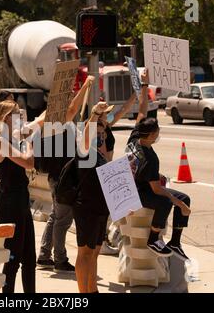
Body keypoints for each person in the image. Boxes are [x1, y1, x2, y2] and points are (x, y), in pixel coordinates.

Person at [127, 70, 192, 260]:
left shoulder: (134, 138)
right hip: (138, 193)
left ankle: (175, 242)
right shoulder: (149, 158)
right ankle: (153, 238)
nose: (158, 134)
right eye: (157, 132)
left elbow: (142, 110)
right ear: (150, 136)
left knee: (185, 198)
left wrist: (145, 84)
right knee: (166, 201)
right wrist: (179, 205)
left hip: (139, 184)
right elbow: (157, 190)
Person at [37, 75, 95, 274]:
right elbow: (72, 110)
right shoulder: (54, 117)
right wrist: (85, 86)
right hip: (61, 177)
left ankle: (44, 255)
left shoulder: (61, 119)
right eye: (67, 94)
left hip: (61, 175)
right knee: (63, 220)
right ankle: (60, 259)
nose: (71, 96)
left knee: (57, 216)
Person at [0, 100, 45, 293]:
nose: (21, 117)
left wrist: (53, 105)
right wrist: (29, 143)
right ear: (5, 118)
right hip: (11, 205)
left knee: (29, 258)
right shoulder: (0, 141)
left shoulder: (11, 137)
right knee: (13, 260)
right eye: (17, 114)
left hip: (20, 201)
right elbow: (29, 163)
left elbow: (41, 121)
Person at [73, 101, 111, 293]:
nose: (101, 136)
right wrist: (95, 113)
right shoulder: (84, 150)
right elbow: (87, 136)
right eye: (98, 133)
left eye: (103, 134)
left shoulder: (99, 154)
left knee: (95, 251)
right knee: (85, 252)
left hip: (100, 207)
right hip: (86, 206)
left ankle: (92, 289)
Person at [96, 94, 137, 255]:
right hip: (102, 170)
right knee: (105, 210)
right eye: (106, 112)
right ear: (100, 115)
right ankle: (101, 241)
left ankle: (104, 238)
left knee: (111, 209)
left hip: (107, 168)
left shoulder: (105, 125)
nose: (109, 114)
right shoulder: (97, 129)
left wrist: (135, 93)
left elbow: (123, 110)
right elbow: (99, 152)